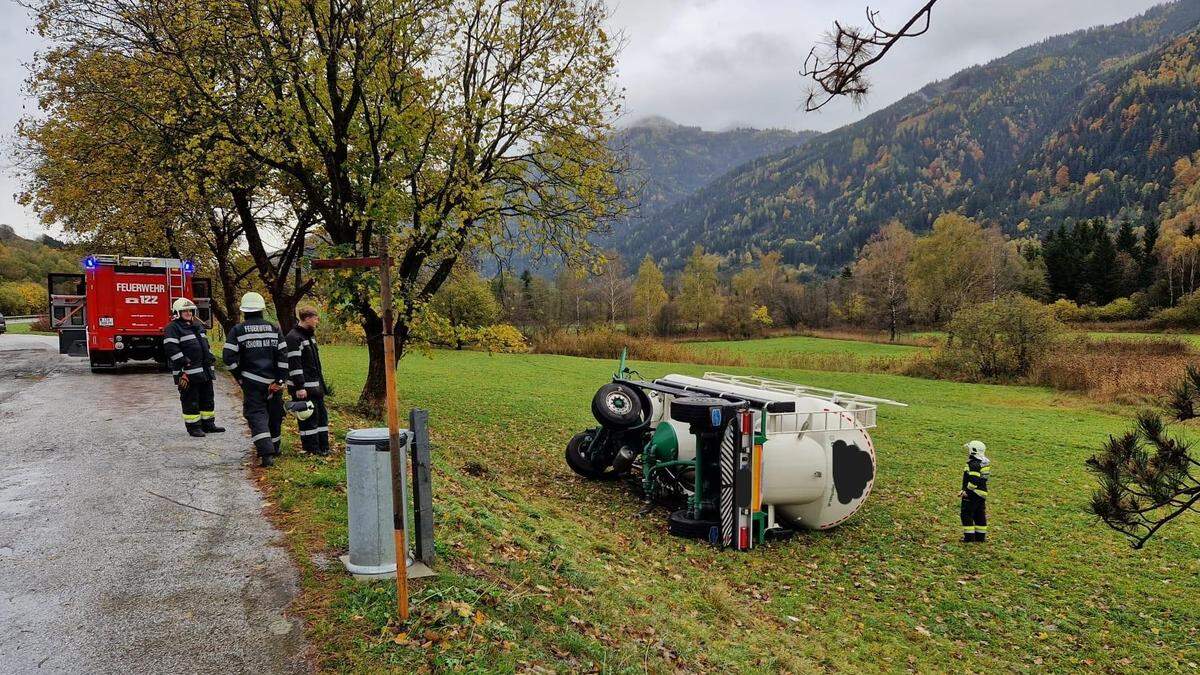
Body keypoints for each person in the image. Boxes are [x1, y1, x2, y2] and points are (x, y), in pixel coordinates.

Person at [222, 292, 289, 467]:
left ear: (244, 311)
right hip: (273, 383)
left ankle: (266, 454)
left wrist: (239, 377)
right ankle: (275, 448)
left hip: (251, 382)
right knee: (274, 415)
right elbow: (283, 357)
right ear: (262, 310)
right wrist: (279, 382)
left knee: (256, 415)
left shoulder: (237, 330)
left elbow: (228, 358)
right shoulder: (274, 329)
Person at [163, 298, 224, 437]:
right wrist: (184, 364)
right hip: (187, 372)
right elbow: (171, 349)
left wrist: (209, 357)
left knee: (207, 398)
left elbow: (205, 346)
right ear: (177, 312)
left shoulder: (197, 326)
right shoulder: (172, 328)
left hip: (204, 371)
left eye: (190, 310)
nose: (188, 313)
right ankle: (193, 427)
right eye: (184, 310)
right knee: (191, 400)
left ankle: (208, 424)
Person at [285, 306, 330, 455]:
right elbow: (295, 365)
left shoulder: (309, 336)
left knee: (321, 418)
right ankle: (312, 450)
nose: (317, 320)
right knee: (308, 419)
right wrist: (300, 387)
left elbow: (314, 365)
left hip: (316, 387)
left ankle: (323, 447)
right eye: (315, 317)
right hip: (304, 388)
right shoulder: (294, 338)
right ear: (307, 318)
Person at [959, 440, 990, 542]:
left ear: (973, 451)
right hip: (982, 494)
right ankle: (980, 537)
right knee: (979, 514)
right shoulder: (984, 463)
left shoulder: (973, 464)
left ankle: (969, 537)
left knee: (966, 514)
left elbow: (973, 482)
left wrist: (966, 491)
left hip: (973, 494)